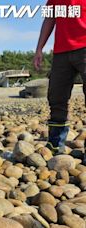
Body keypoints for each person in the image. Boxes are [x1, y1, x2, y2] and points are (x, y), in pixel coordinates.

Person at [33, 0, 86, 154]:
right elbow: (49, 18)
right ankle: (56, 144)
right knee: (56, 97)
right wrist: (39, 49)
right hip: (61, 51)